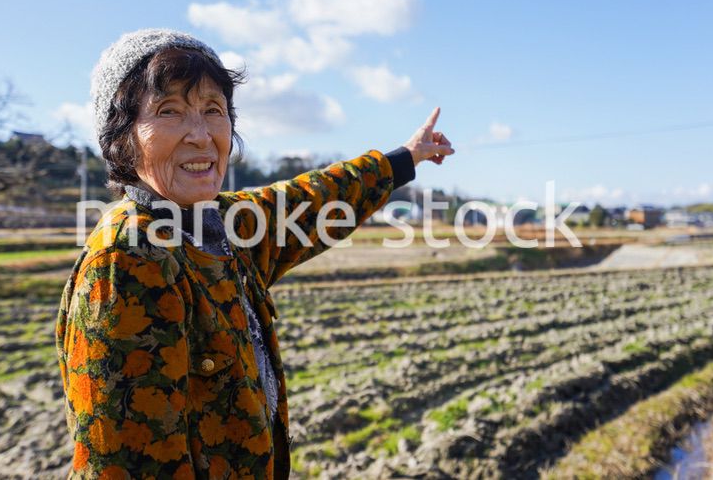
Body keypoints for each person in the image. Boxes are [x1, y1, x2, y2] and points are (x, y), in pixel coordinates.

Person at [55, 28, 455, 480]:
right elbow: (124, 467)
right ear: (122, 139)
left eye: (213, 111)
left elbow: (315, 201)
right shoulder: (129, 261)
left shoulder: (222, 226)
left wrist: (407, 158)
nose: (201, 135)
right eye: (169, 111)